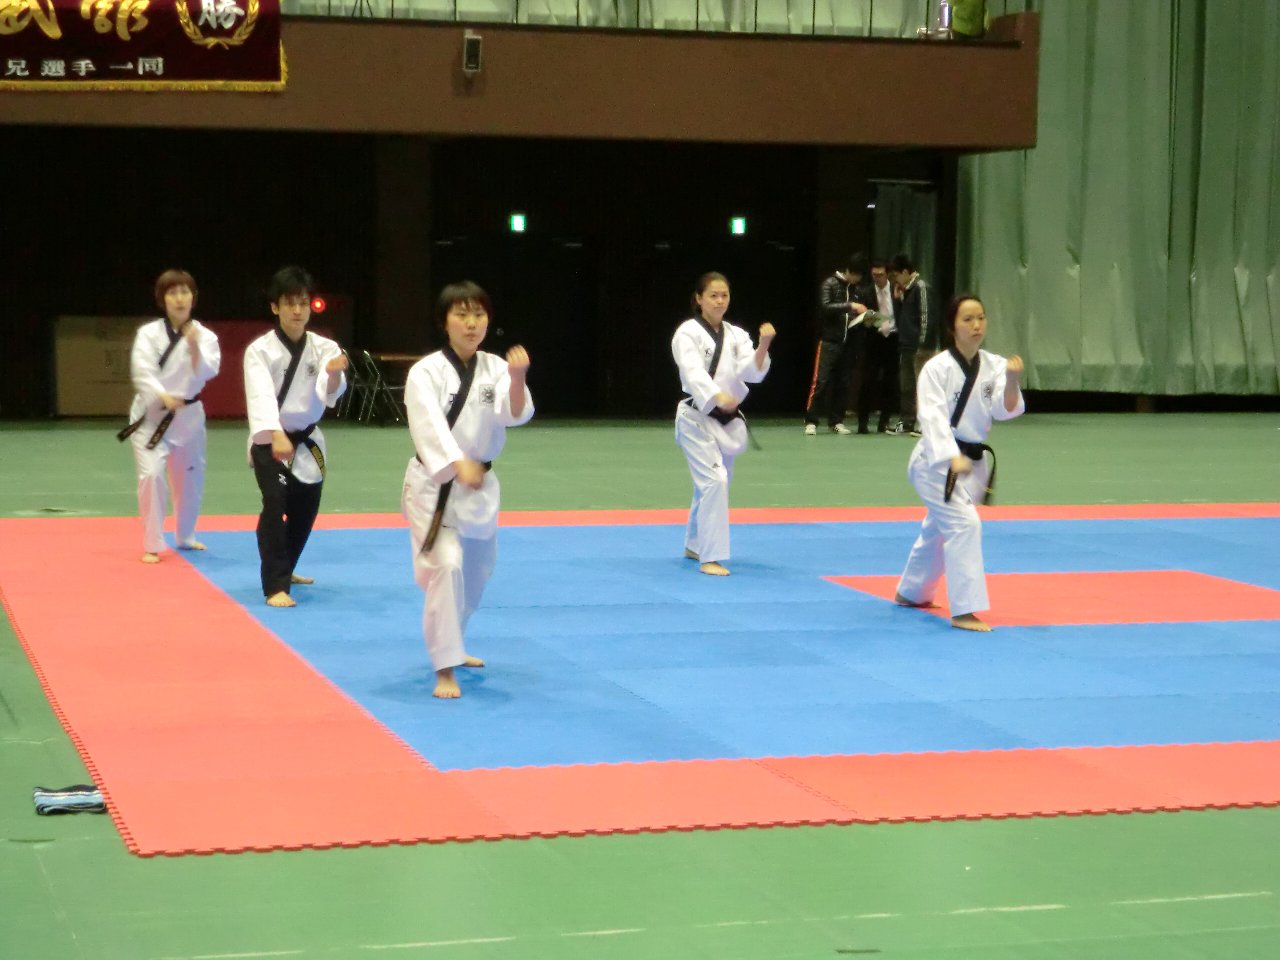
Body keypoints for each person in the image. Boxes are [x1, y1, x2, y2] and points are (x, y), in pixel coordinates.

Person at [401, 282, 534, 699]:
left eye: (478, 314)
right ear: (444, 322)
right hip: (435, 484)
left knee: (477, 572)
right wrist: (457, 463)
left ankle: (454, 641)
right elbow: (428, 425)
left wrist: (517, 378)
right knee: (446, 566)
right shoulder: (425, 373)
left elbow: (515, 414)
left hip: (480, 485)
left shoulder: (496, 367)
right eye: (461, 314)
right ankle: (444, 666)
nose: (472, 323)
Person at [894, 293, 1025, 631]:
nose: (976, 325)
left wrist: (1012, 380)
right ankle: (965, 610)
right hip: (935, 462)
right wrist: (951, 458)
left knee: (940, 527)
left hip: (972, 462)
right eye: (967, 319)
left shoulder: (994, 365)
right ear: (952, 326)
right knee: (965, 524)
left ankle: (912, 591)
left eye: (981, 317)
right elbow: (932, 417)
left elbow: (1006, 410)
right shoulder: (936, 369)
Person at [243, 266, 348, 608]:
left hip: (307, 439)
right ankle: (275, 585)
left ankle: (286, 567)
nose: (298, 310)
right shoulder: (260, 351)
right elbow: (259, 394)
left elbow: (329, 394)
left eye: (304, 303)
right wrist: (275, 433)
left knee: (305, 508)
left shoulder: (325, 347)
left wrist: (334, 376)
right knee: (275, 504)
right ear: (275, 307)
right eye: (290, 303)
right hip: (269, 437)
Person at [673, 272, 775, 576]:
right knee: (714, 481)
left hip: (726, 420)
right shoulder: (687, 333)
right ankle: (710, 557)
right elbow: (691, 371)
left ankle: (695, 543)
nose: (720, 301)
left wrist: (763, 346)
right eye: (713, 295)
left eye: (724, 295)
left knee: (715, 483)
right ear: (699, 299)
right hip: (696, 417)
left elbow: (751, 372)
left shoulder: (737, 335)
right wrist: (717, 395)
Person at [121, 269, 221, 564]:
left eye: (185, 292)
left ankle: (186, 535)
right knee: (152, 475)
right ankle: (153, 543)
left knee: (190, 479)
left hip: (188, 417)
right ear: (162, 299)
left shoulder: (206, 337)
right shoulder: (148, 334)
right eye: (172, 293)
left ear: (193, 297)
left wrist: (194, 347)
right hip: (151, 415)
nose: (179, 299)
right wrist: (161, 396)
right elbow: (142, 371)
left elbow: (209, 371)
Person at [804, 254, 869, 435]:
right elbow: (825, 307)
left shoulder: (856, 290)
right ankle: (811, 420)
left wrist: (864, 317)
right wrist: (850, 306)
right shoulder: (830, 284)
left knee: (843, 383)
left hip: (848, 343)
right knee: (821, 381)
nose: (857, 279)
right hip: (829, 341)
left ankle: (836, 420)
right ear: (849, 271)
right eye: (856, 275)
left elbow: (854, 313)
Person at [888, 253, 939, 437]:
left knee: (923, 387)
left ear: (905, 272)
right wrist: (897, 300)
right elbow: (900, 319)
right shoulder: (905, 291)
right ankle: (907, 421)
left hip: (920, 348)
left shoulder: (921, 287)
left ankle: (925, 423)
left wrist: (923, 344)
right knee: (907, 387)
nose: (895, 280)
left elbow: (926, 317)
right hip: (906, 347)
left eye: (896, 275)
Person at [852, 258, 900, 433]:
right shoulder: (865, 292)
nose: (878, 278)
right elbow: (860, 317)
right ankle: (862, 422)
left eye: (881, 275)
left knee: (890, 380)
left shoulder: (897, 290)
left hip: (893, 338)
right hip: (873, 339)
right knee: (867, 380)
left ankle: (884, 422)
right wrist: (869, 321)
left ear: (887, 274)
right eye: (874, 275)